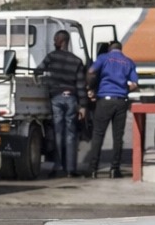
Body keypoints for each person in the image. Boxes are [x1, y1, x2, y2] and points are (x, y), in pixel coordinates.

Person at [81, 39, 138, 178]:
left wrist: (90, 87)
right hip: (121, 101)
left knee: (98, 134)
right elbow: (135, 84)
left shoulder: (103, 58)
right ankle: (114, 169)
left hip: (104, 101)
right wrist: (123, 89)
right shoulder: (128, 61)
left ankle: (93, 169)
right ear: (120, 49)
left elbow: (91, 71)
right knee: (118, 137)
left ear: (110, 49)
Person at [35, 29, 87, 178]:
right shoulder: (76, 61)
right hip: (71, 98)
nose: (54, 42)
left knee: (58, 133)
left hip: (56, 97)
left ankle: (57, 167)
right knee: (71, 134)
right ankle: (70, 169)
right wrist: (83, 105)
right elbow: (81, 85)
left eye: (56, 39)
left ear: (62, 41)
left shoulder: (51, 57)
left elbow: (38, 71)